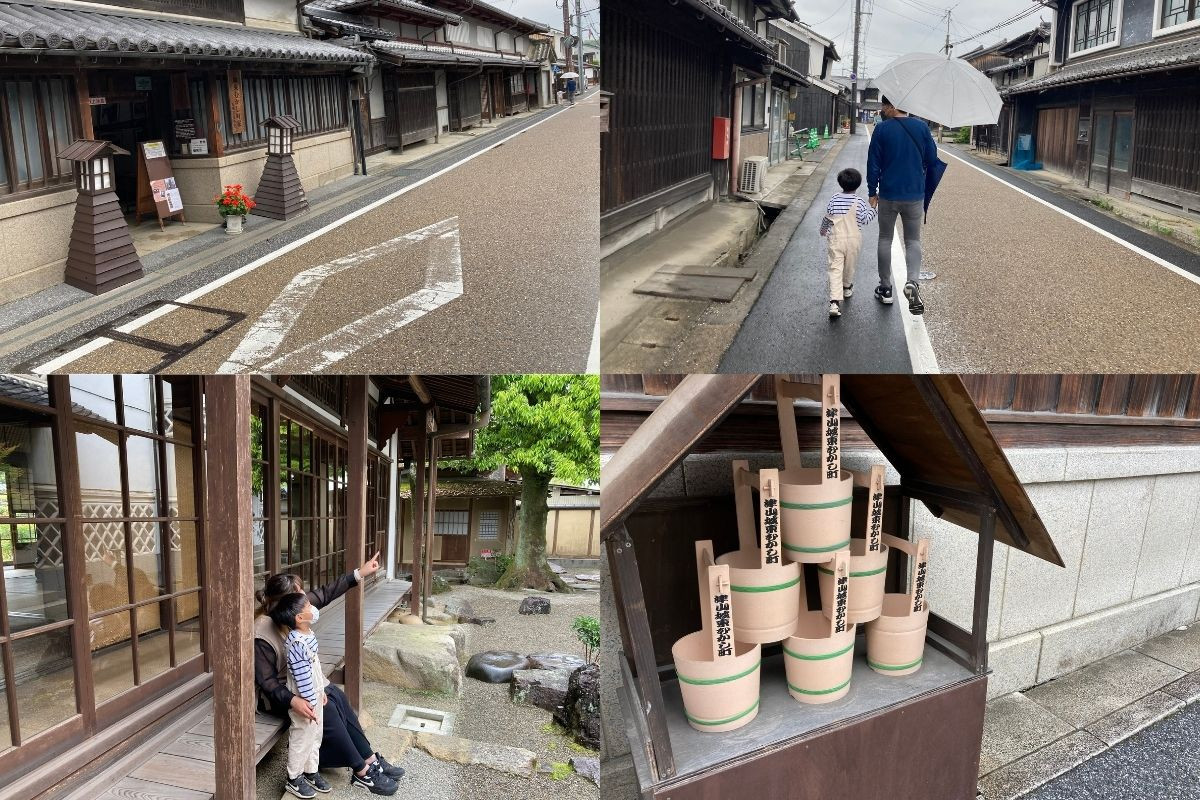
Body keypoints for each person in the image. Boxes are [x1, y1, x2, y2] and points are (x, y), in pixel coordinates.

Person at [255, 554, 403, 796]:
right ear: (289, 605)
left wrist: (360, 573)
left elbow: (326, 593)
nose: (308, 599)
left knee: (336, 695)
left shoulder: (293, 611)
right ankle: (361, 770)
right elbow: (268, 683)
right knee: (329, 708)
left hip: (302, 683)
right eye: (301, 595)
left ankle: (368, 758)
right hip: (280, 696)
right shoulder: (263, 633)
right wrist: (296, 701)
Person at [866, 95, 938, 315]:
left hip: (888, 194)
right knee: (913, 240)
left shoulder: (882, 130)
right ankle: (913, 283)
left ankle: (886, 288)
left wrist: (872, 191)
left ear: (893, 105)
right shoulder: (922, 128)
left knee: (885, 239)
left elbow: (873, 162)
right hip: (915, 194)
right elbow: (932, 158)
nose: (882, 110)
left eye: (884, 106)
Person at [270, 593, 332, 798]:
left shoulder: (307, 633)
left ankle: (310, 771)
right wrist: (311, 702)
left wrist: (321, 689)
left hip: (314, 694)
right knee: (302, 738)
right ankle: (294, 778)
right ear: (299, 617)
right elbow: (303, 677)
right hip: (304, 699)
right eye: (307, 605)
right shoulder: (296, 643)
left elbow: (315, 666)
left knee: (315, 735)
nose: (312, 607)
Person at [819, 167, 877, 319]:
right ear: (858, 185)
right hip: (853, 240)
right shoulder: (859, 202)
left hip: (836, 239)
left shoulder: (834, 199)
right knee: (850, 266)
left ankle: (834, 302)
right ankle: (847, 287)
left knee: (835, 268)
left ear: (840, 183)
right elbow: (865, 219)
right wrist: (873, 208)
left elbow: (827, 217)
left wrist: (823, 230)